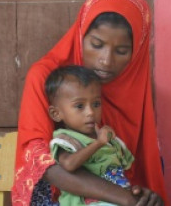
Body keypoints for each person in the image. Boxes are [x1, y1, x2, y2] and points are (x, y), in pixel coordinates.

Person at [13, 0, 166, 206]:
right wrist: (125, 199)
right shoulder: (44, 78)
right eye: (96, 45)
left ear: (137, 52)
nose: (106, 60)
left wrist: (143, 197)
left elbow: (131, 169)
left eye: (121, 51)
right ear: (80, 35)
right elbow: (44, 166)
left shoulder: (134, 88)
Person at [45, 65, 135, 206]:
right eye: (80, 106)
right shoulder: (66, 139)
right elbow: (68, 164)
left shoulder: (108, 137)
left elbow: (124, 169)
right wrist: (98, 143)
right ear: (56, 114)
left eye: (96, 104)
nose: (91, 112)